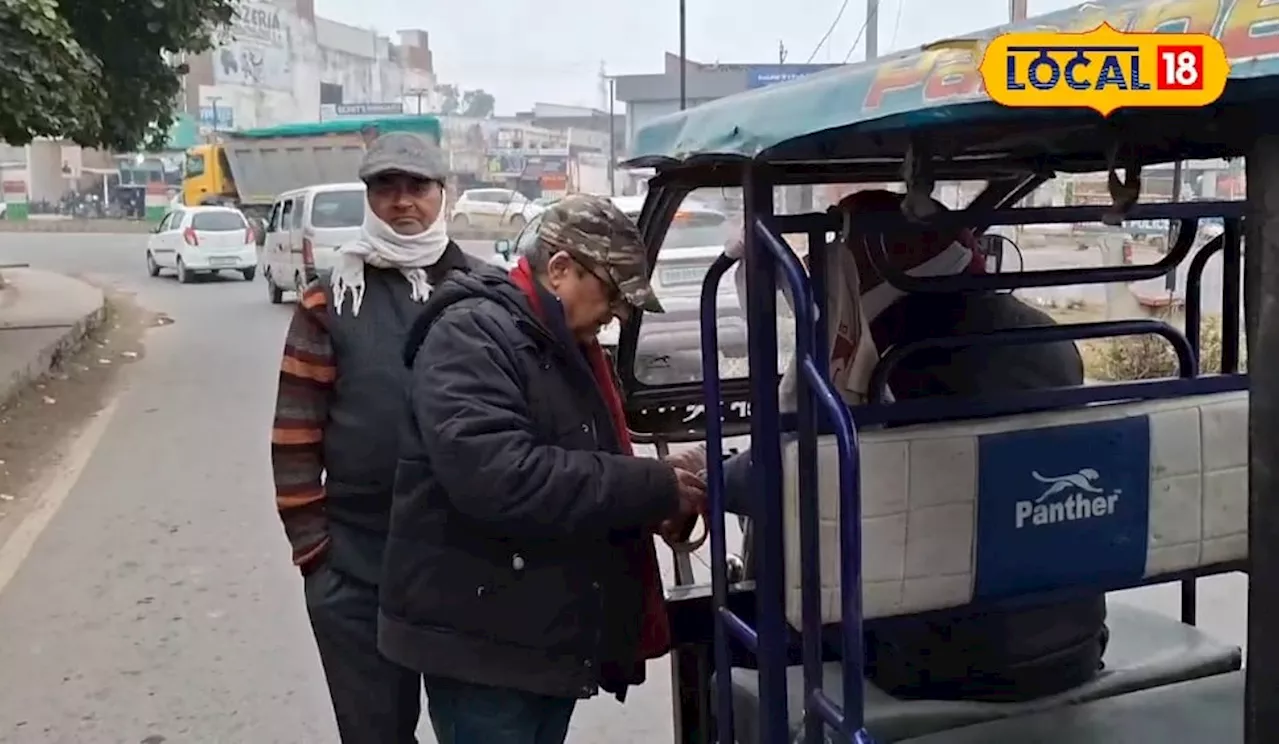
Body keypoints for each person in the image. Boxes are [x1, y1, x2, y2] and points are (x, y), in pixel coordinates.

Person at [675, 189, 1108, 702]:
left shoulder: (882, 353)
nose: (834, 260)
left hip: (941, 660)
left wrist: (712, 479)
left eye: (845, 245)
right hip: (1074, 645)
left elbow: (797, 477)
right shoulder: (1044, 333)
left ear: (884, 255)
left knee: (751, 619)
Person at [378, 194, 707, 744]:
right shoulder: (472, 334)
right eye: (612, 295)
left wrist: (655, 500)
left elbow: (586, 460)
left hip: (536, 635)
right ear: (559, 270)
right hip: (483, 648)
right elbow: (503, 478)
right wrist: (652, 486)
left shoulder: (556, 340)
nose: (616, 317)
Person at [270, 132, 480, 742]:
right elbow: (293, 437)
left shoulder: (484, 290)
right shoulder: (330, 298)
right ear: (369, 198)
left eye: (417, 187)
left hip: (465, 561)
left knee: (478, 729)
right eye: (386, 188)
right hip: (358, 565)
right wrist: (317, 557)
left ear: (444, 194)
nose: (402, 203)